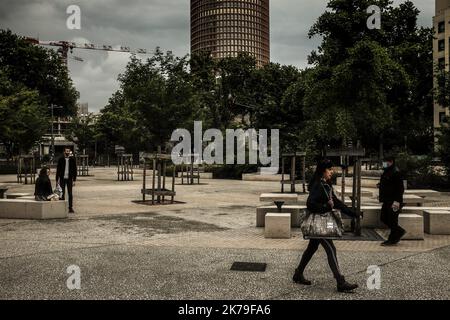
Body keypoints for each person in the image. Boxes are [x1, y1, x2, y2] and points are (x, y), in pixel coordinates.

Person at [293, 159, 359, 293]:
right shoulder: (318, 185)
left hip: (320, 224)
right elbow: (310, 204)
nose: (332, 172)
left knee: (311, 248)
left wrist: (353, 213)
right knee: (331, 249)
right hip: (320, 224)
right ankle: (340, 281)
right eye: (329, 170)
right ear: (323, 171)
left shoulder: (326, 185)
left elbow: (336, 202)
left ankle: (298, 274)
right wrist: (325, 207)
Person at [378, 156, 405, 246]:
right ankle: (399, 231)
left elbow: (400, 188)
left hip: (393, 201)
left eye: (385, 162)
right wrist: (380, 184)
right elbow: (387, 182)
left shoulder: (396, 172)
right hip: (387, 200)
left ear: (391, 162)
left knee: (392, 220)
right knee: (383, 218)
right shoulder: (387, 171)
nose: (384, 164)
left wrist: (397, 201)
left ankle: (392, 239)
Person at [56, 147, 77, 213]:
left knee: (70, 193)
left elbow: (74, 170)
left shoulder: (72, 160)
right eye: (66, 151)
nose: (67, 152)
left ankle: (70, 208)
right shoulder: (61, 159)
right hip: (62, 178)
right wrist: (57, 180)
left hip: (69, 179)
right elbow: (58, 170)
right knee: (62, 193)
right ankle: (62, 207)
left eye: (68, 151)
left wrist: (74, 180)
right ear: (64, 152)